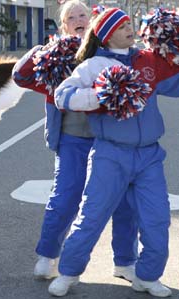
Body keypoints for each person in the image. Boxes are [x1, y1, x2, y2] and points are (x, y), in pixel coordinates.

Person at [50, 8, 179, 297]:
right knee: (92, 217)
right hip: (110, 154)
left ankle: (147, 275)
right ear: (107, 35)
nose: (129, 28)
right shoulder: (92, 66)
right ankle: (69, 272)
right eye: (121, 26)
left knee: (157, 219)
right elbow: (62, 95)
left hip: (149, 156)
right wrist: (99, 96)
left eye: (129, 23)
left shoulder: (149, 59)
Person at [12, 0, 137, 282]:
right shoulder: (54, 59)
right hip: (72, 139)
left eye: (84, 15)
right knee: (65, 198)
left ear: (92, 22)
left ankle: (126, 261)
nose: (79, 19)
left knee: (124, 200)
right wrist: (41, 50)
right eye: (72, 17)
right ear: (64, 26)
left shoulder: (112, 52)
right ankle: (48, 256)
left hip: (112, 141)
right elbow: (21, 76)